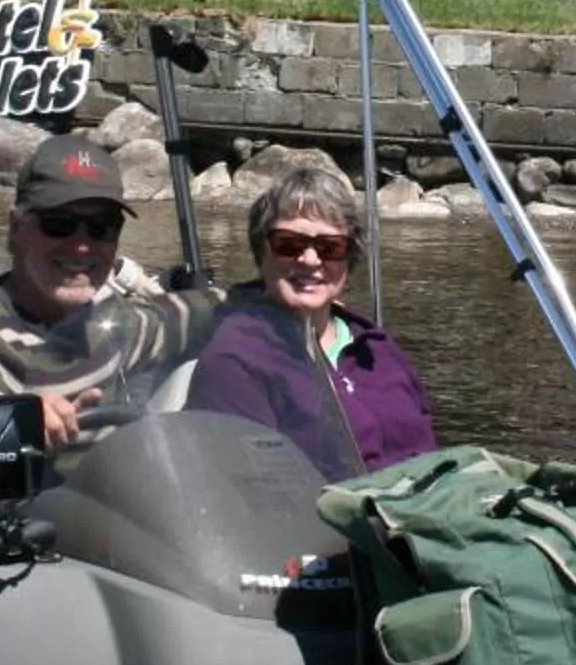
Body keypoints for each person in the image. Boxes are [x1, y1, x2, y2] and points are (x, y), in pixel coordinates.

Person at [0, 133, 192, 442]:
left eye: (102, 227)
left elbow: (197, 313)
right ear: (16, 228)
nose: (83, 246)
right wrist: (18, 417)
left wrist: (247, 301)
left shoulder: (114, 321)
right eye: (59, 224)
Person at [185, 169, 438, 481]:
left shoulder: (377, 348)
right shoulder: (236, 361)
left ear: (349, 257)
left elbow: (429, 452)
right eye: (289, 244)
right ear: (261, 251)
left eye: (330, 247)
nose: (310, 259)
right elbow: (252, 492)